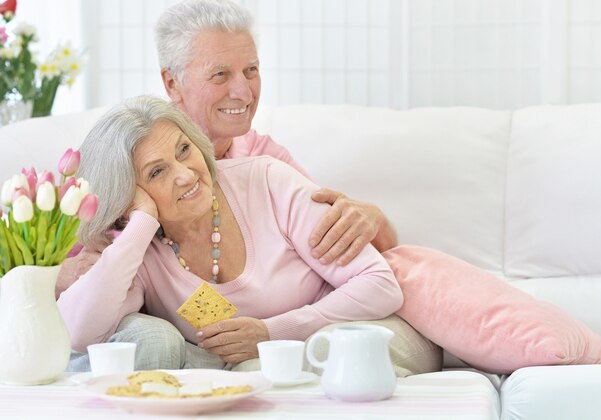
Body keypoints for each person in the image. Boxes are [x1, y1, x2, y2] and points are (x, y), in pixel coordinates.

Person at [56, 0, 427, 373]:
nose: (244, 92)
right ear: (172, 82)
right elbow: (76, 327)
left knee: (306, 358)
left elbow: (373, 277)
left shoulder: (268, 172)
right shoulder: (136, 238)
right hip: (230, 357)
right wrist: (138, 226)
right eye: (220, 74)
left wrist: (272, 332)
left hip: (328, 330)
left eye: (251, 70)